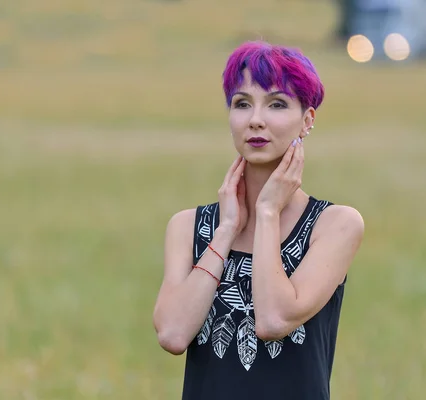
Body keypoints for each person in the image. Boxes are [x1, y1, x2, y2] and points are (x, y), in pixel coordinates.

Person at [152, 40, 365, 399]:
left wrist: (267, 213)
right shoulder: (188, 226)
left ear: (307, 120)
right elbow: (172, 334)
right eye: (242, 103)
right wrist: (226, 232)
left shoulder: (335, 225)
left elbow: (274, 320)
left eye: (277, 104)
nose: (255, 119)